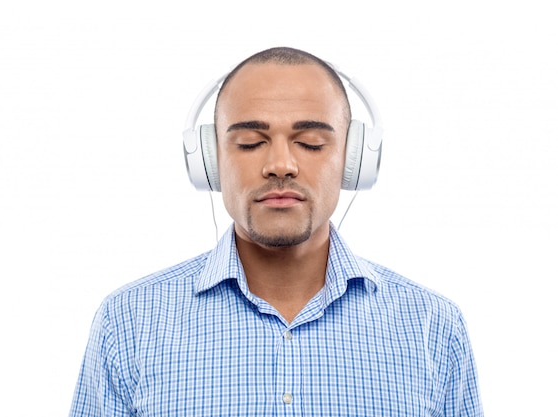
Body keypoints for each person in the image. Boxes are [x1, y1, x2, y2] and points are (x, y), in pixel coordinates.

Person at [69, 47, 483, 416]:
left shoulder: (434, 326)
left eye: (311, 143)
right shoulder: (129, 321)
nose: (281, 164)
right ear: (210, 162)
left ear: (354, 161)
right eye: (250, 143)